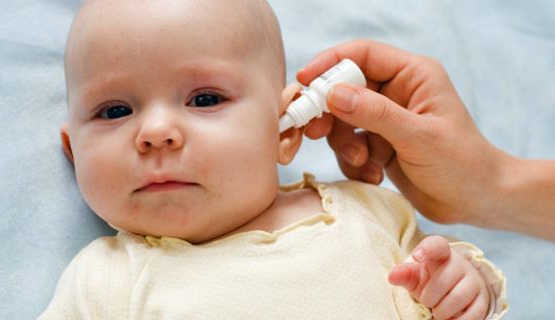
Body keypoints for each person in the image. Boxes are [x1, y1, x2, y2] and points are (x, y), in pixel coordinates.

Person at [40, 0, 506, 319]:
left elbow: (453, 281)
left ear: (285, 128)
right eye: (115, 111)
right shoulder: (103, 279)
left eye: (204, 99)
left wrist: (465, 288)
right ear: (73, 151)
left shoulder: (371, 212)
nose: (156, 133)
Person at [297, 40, 555, 242]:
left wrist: (456, 286)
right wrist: (490, 187)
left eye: (252, 90)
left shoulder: (354, 217)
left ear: (286, 139)